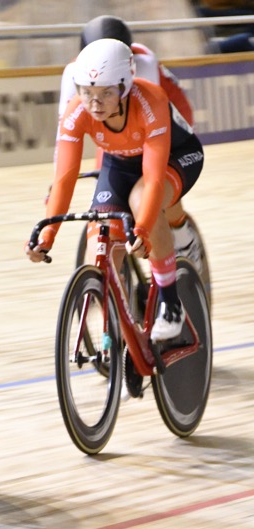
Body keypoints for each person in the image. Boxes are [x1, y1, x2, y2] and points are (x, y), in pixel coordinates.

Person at [27, 39, 205, 341]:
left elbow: (152, 175)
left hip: (176, 155)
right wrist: (47, 235)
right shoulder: (77, 111)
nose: (94, 103)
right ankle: (124, 334)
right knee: (102, 235)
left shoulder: (150, 101)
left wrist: (144, 229)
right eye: (86, 92)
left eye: (106, 93)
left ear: (125, 88)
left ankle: (171, 303)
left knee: (141, 201)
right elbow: (65, 178)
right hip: (120, 162)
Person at [57, 15, 201, 265]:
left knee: (155, 190)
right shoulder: (77, 72)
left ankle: (181, 233)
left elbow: (147, 137)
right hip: (124, 125)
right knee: (115, 185)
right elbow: (65, 135)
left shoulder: (142, 63)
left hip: (167, 118)